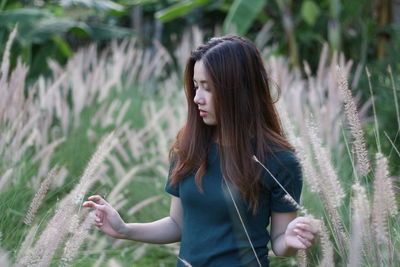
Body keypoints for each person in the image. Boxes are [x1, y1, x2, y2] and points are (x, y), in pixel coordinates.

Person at [83, 35, 317, 266]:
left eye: (207, 88)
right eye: (195, 86)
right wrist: (124, 229)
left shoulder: (279, 161)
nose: (197, 98)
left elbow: (279, 243)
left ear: (237, 90)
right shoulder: (188, 148)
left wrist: (289, 239)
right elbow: (178, 225)